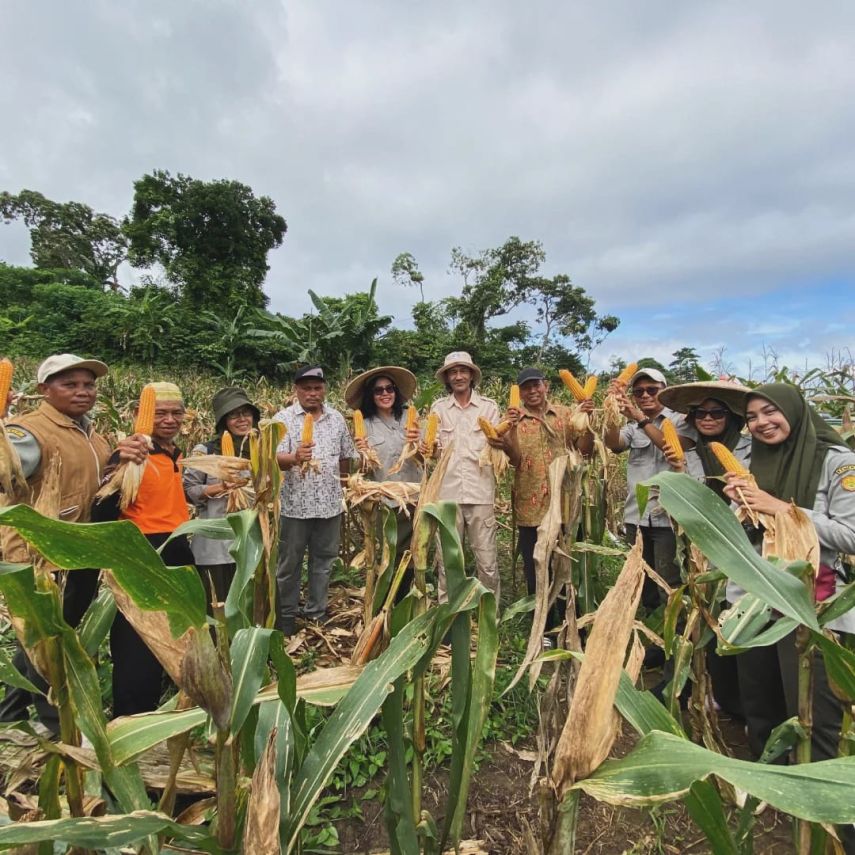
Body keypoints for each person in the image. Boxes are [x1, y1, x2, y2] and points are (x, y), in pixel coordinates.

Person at [723, 384, 855, 765]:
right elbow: (748, 535)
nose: (761, 423)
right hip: (754, 603)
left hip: (812, 605)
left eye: (770, 412)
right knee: (761, 707)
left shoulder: (837, 462)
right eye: (751, 417)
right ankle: (771, 787)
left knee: (813, 715)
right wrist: (744, 508)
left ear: (794, 411)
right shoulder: (753, 462)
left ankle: (819, 808)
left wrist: (781, 508)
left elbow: (849, 535)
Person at [0, 354, 114, 730]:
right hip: (41, 556)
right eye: (71, 384)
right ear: (43, 390)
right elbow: (7, 476)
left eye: (89, 384)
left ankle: (10, 715)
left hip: (81, 551)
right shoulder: (27, 432)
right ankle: (54, 723)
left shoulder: (92, 434)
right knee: (46, 639)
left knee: (47, 636)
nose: (83, 392)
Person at [92, 382, 193, 717]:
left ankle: (163, 703)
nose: (169, 420)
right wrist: (119, 464)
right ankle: (131, 715)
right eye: (160, 412)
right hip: (141, 552)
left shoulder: (173, 454)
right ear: (140, 415)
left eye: (176, 413)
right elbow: (102, 512)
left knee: (174, 630)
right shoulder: (130, 455)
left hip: (175, 548)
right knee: (137, 637)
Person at [657, 381, 752, 717]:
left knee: (733, 620)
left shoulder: (749, 451)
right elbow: (682, 503)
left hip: (742, 549)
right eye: (700, 413)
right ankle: (694, 686)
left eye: (717, 413)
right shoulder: (692, 456)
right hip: (702, 549)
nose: (707, 419)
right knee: (698, 615)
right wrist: (678, 470)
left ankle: (735, 697)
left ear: (732, 418)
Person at [489, 367, 594, 644]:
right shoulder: (512, 420)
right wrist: (509, 430)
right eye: (526, 387)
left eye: (536, 385)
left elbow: (584, 450)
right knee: (538, 568)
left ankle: (573, 622)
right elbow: (514, 458)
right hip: (530, 504)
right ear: (520, 391)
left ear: (546, 386)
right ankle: (544, 627)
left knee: (567, 565)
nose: (532, 391)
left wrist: (588, 420)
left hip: (566, 501)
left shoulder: (565, 415)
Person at [274, 365, 357, 635]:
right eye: (306, 388)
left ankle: (316, 613)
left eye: (317, 388)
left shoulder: (336, 420)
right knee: (289, 564)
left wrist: (344, 486)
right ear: (296, 390)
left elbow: (345, 455)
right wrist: (295, 457)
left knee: (323, 562)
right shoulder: (283, 419)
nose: (312, 393)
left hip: (329, 505)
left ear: (324, 389)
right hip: (294, 506)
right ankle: (286, 616)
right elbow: (274, 459)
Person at [603, 367, 696, 606]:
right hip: (637, 516)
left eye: (652, 390)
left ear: (664, 391)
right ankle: (652, 634)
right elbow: (613, 443)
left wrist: (639, 417)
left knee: (670, 583)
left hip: (669, 519)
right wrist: (611, 411)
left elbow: (673, 447)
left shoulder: (681, 420)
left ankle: (675, 636)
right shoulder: (633, 427)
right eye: (639, 392)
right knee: (642, 581)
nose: (645, 395)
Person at [424, 351, 501, 601]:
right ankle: (448, 612)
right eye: (453, 372)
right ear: (447, 378)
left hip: (480, 494)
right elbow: (432, 451)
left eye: (463, 371)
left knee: (487, 561)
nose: (458, 376)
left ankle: (489, 614)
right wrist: (427, 447)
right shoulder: (438, 409)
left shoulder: (489, 408)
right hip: (447, 496)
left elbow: (498, 446)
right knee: (448, 561)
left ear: (471, 375)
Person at [344, 366, 420, 595]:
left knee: (412, 554)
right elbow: (359, 469)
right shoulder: (364, 425)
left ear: (396, 392)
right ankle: (383, 602)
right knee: (386, 553)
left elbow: (428, 455)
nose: (385, 394)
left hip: (413, 497)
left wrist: (420, 445)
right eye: (378, 391)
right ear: (371, 396)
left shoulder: (411, 417)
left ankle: (404, 599)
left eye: (389, 389)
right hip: (383, 502)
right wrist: (363, 455)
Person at [183, 386, 260, 604]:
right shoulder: (205, 451)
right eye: (234, 415)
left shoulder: (258, 449)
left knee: (248, 602)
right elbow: (189, 491)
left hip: (251, 540)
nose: (242, 419)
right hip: (215, 542)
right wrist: (220, 487)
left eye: (246, 413)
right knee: (219, 604)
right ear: (223, 421)